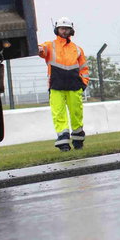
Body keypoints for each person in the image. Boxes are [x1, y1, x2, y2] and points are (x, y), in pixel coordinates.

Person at [38, 16, 90, 151]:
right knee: (58, 114)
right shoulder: (49, 45)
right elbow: (41, 50)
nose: (64, 31)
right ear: (57, 29)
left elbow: (84, 68)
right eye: (62, 28)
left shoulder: (77, 49)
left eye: (67, 29)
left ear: (71, 30)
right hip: (56, 86)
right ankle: (63, 143)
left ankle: (78, 140)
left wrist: (83, 83)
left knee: (76, 114)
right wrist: (38, 49)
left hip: (74, 86)